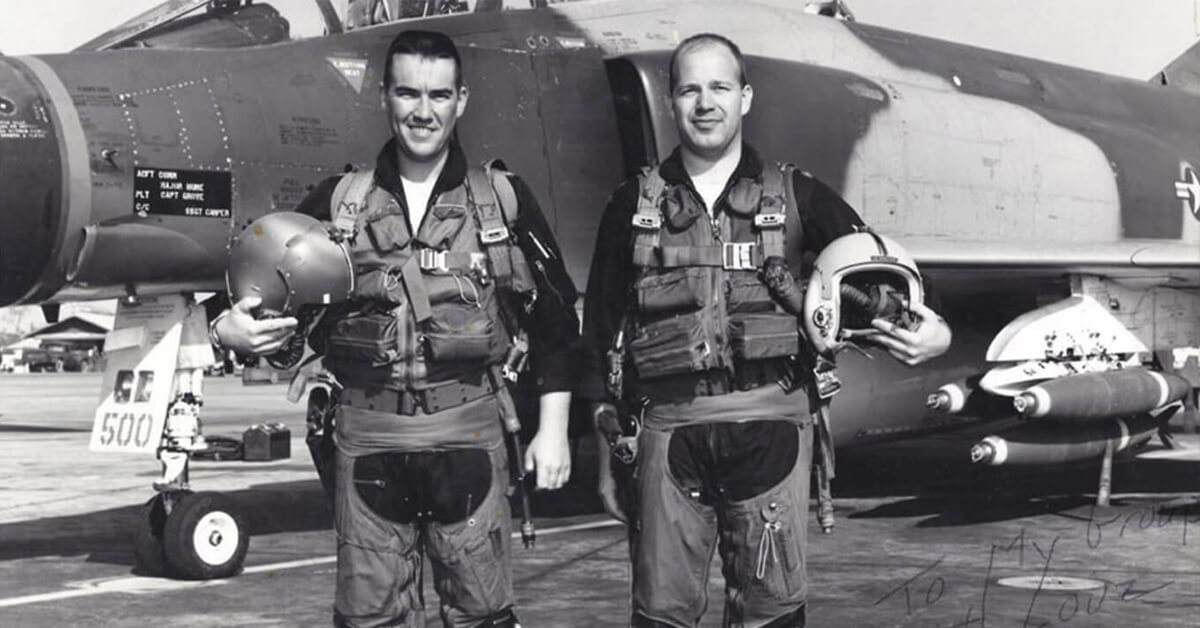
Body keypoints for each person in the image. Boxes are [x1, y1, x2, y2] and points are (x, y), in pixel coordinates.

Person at [580, 33, 951, 628]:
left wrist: (930, 328)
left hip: (772, 434)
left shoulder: (797, 195)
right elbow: (599, 330)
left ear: (745, 97)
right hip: (670, 434)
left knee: (773, 612)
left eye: (720, 87)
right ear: (671, 102)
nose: (705, 103)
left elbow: (884, 273)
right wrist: (604, 452)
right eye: (690, 89)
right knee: (660, 613)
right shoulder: (631, 205)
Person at [211, 29, 579, 628]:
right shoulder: (339, 204)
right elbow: (255, 300)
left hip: (467, 433)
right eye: (408, 93)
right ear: (384, 96)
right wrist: (227, 330)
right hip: (369, 437)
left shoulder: (502, 201)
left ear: (461, 100)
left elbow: (558, 320)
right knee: (369, 618)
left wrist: (555, 429)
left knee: (483, 613)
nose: (423, 111)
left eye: (438, 95)